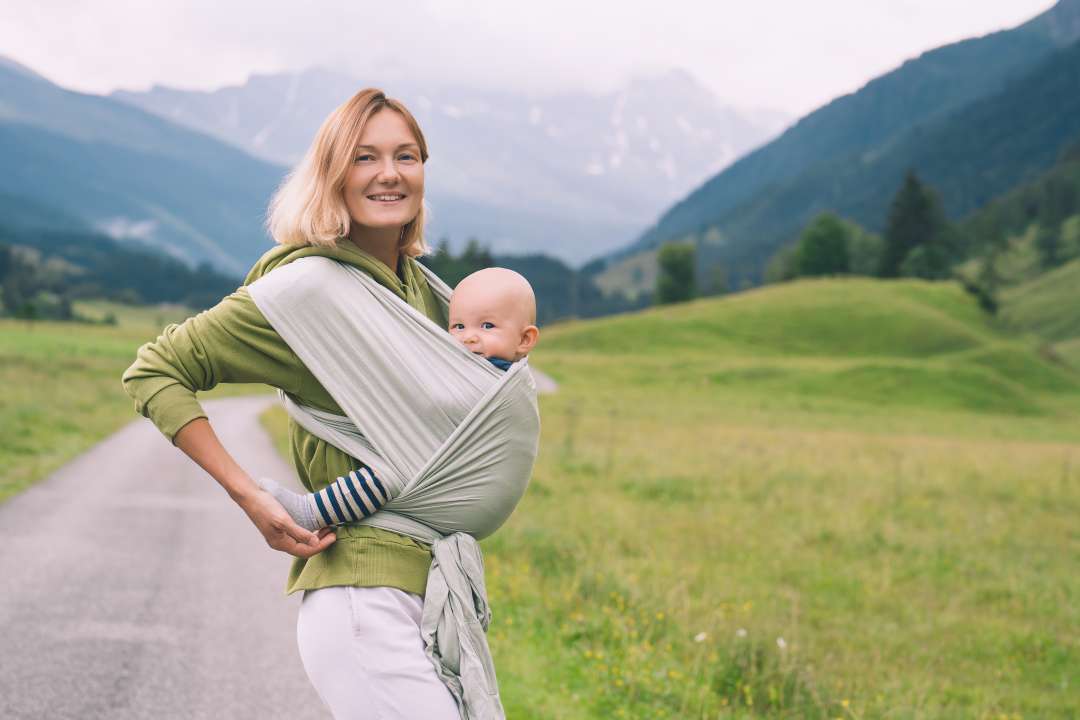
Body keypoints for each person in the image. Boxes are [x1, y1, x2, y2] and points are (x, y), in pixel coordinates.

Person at [122, 88, 479, 719]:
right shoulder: (305, 292)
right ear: (332, 174)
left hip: (435, 597)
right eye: (365, 157)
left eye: (408, 156)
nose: (390, 173)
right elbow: (156, 371)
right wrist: (248, 494)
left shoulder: (428, 294)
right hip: (361, 598)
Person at [259, 266, 540, 531]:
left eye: (487, 326)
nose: (469, 338)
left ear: (525, 340)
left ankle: (313, 512)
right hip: (438, 458)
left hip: (457, 480)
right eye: (458, 327)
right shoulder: (463, 364)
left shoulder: (500, 382)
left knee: (387, 476)